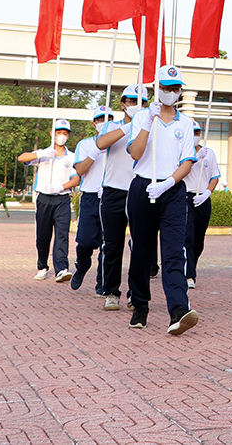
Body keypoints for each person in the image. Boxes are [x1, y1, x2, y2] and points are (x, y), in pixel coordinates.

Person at [126, 66, 200, 335]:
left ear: (180, 91)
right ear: (156, 88)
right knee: (142, 251)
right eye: (165, 88)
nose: (170, 93)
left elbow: (188, 161)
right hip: (143, 187)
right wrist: (148, 123)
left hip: (172, 190)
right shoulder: (142, 117)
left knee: (173, 252)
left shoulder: (186, 122)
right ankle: (140, 305)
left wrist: (169, 182)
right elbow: (135, 152)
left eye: (175, 88)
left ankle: (178, 310)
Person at [94, 85, 145, 311]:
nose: (136, 105)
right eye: (132, 101)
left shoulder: (149, 126)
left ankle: (136, 294)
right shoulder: (111, 125)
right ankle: (112, 291)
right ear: (123, 103)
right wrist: (129, 127)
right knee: (112, 245)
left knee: (140, 246)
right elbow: (101, 143)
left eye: (141, 101)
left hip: (138, 189)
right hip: (114, 190)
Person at [18, 119, 79, 282]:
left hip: (62, 198)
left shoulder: (72, 157)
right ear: (52, 133)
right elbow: (21, 158)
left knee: (62, 234)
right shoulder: (44, 153)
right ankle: (42, 266)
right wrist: (41, 154)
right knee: (43, 235)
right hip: (44, 199)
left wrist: (60, 187)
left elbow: (76, 179)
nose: (61, 136)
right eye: (59, 133)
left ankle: (61, 268)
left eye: (65, 133)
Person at [70, 106, 111, 294]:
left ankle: (102, 284)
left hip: (110, 196)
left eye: (108, 118)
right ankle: (82, 267)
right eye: (100, 119)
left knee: (107, 244)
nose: (104, 121)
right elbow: (79, 170)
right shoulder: (85, 144)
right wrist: (96, 151)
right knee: (85, 242)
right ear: (94, 123)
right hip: (90, 197)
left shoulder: (118, 143)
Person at [184, 119, 221, 290]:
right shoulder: (182, 152)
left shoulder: (209, 153)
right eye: (192, 133)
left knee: (199, 239)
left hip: (203, 198)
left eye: (197, 132)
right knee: (188, 236)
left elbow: (214, 176)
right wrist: (194, 159)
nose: (195, 136)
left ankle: (192, 264)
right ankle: (189, 274)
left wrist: (207, 193)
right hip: (185, 197)